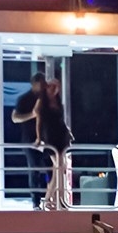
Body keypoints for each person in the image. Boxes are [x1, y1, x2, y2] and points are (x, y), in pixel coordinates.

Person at [9, 71, 47, 207]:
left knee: (51, 168)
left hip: (46, 138)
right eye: (40, 84)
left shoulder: (46, 98)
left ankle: (49, 197)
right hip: (29, 139)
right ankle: (36, 201)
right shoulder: (24, 99)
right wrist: (32, 115)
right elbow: (15, 118)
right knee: (34, 169)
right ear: (34, 84)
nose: (42, 86)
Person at [34, 76, 72, 210]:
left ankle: (54, 199)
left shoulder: (57, 101)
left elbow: (60, 120)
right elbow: (38, 122)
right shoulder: (42, 102)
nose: (54, 89)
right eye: (51, 87)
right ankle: (51, 199)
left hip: (60, 136)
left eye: (55, 87)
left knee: (59, 169)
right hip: (50, 137)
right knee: (59, 168)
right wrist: (39, 138)